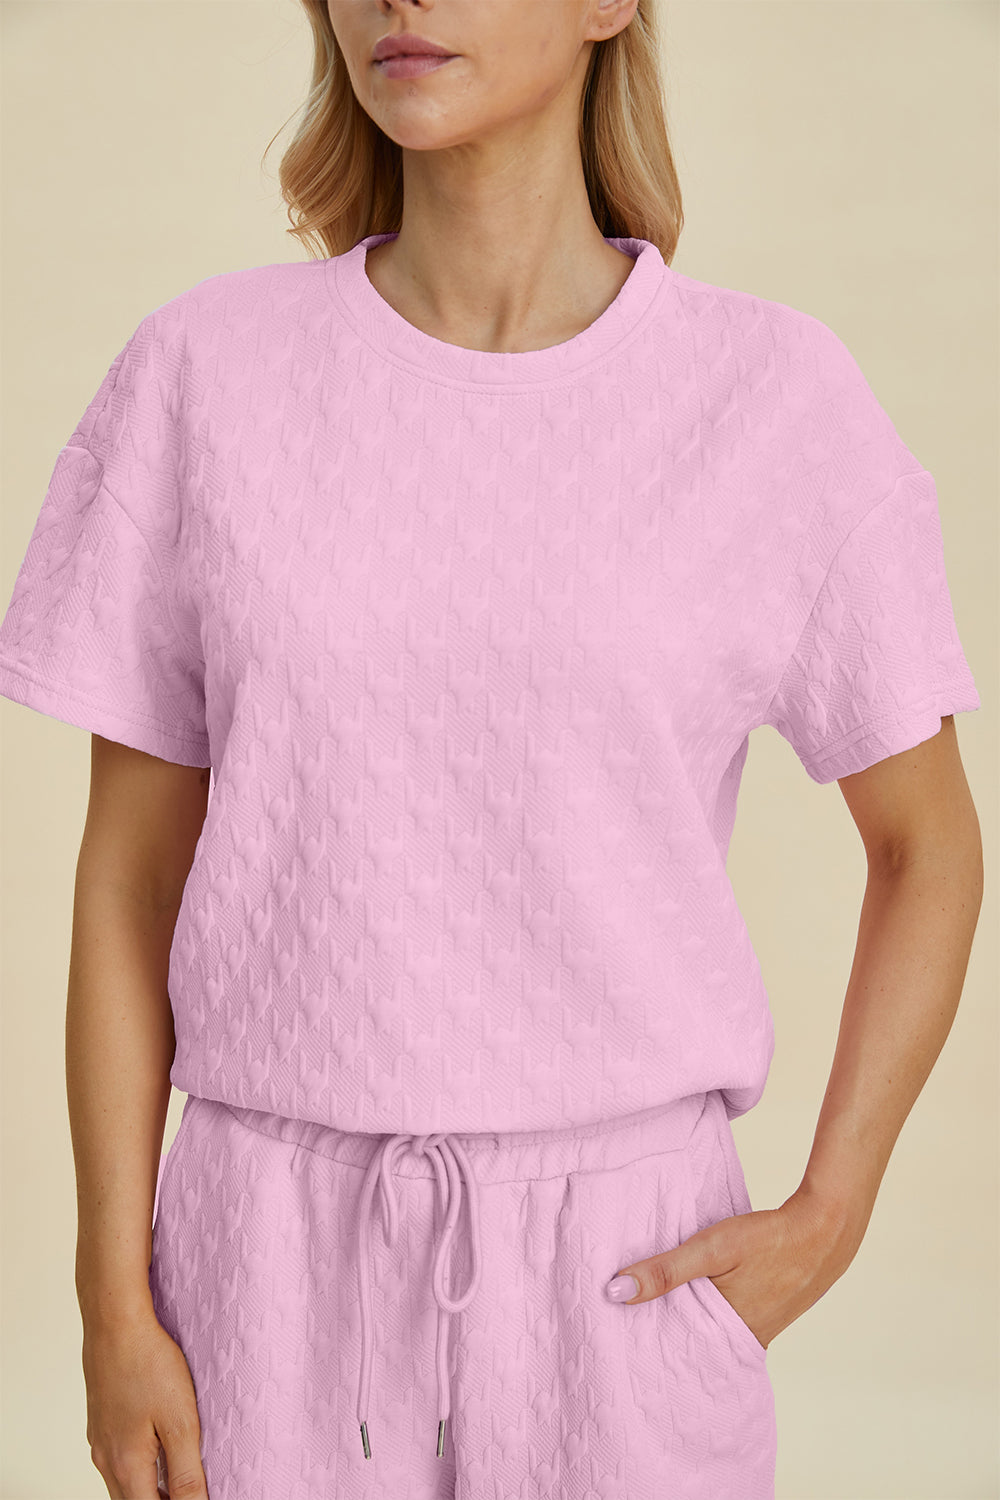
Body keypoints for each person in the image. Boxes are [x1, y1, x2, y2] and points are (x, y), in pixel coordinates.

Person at [0, 0, 984, 1496]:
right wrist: (111, 1307)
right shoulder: (204, 376)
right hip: (264, 1276)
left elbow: (929, 845)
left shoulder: (770, 401)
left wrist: (832, 1211)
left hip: (630, 1283)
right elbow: (129, 886)